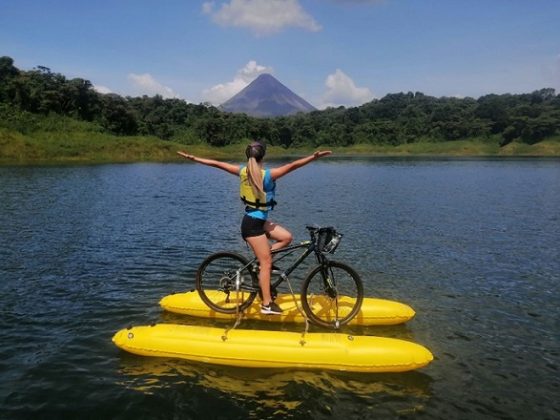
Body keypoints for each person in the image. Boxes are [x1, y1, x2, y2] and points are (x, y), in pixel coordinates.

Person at [177, 142, 331, 315]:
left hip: (257, 221)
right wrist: (313, 157)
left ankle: (261, 260)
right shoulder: (268, 175)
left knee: (287, 237)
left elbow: (217, 164)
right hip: (252, 225)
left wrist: (193, 158)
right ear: (263, 157)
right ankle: (266, 304)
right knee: (267, 263)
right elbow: (292, 165)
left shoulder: (243, 171)